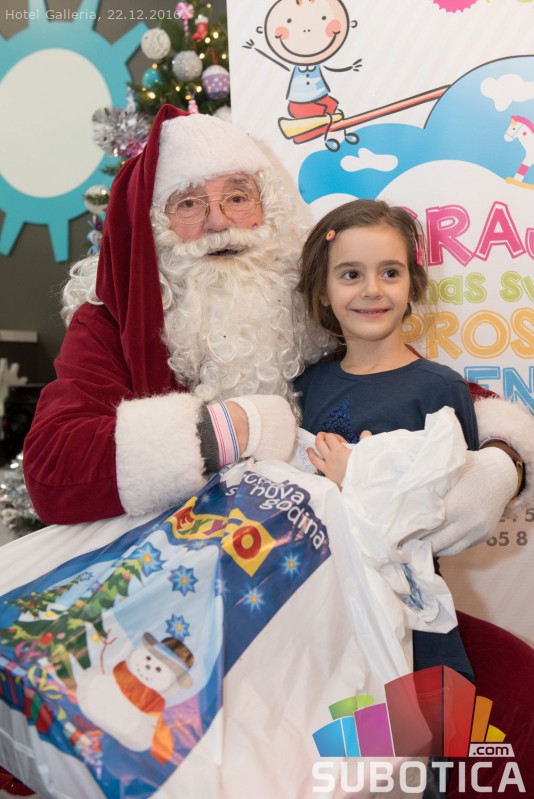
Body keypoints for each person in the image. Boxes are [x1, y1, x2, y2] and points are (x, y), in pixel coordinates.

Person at [23, 106, 532, 556]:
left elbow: (409, 378)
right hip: (171, 570)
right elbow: (52, 468)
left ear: (268, 206)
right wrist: (231, 429)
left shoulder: (296, 296)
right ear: (155, 223)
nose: (219, 222)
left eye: (237, 197)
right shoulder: (113, 318)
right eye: (189, 204)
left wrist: (503, 460)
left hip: (314, 565)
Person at [294, 199, 478, 680]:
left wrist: (361, 476)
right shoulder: (305, 386)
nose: (372, 290)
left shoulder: (440, 390)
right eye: (351, 274)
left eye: (390, 272)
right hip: (324, 618)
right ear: (322, 290)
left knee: (423, 728)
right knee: (342, 728)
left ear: (412, 284)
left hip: (414, 623)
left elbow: (451, 518)